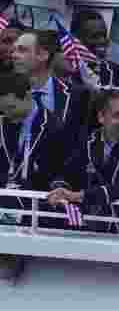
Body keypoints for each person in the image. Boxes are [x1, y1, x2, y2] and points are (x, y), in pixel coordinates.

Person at [46, 88, 119, 234]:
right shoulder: (88, 141)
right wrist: (60, 192)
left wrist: (76, 196)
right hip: (93, 228)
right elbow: (66, 174)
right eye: (118, 115)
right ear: (101, 117)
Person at [0, 71, 62, 225]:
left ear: (28, 96)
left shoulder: (54, 127)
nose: (7, 114)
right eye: (2, 109)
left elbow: (55, 175)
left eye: (11, 107)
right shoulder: (4, 122)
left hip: (38, 212)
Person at [11, 29, 89, 143]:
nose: (14, 55)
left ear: (43, 55)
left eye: (22, 50)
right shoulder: (5, 91)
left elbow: (77, 141)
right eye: (14, 50)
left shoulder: (77, 96)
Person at [70, 10, 119, 87]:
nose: (102, 41)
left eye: (104, 35)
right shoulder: (65, 70)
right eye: (95, 36)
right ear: (76, 39)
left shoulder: (116, 72)